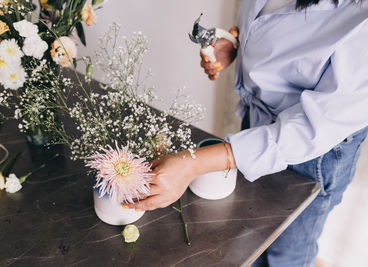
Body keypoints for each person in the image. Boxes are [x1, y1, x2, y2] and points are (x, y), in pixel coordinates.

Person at [127, 0, 368, 265]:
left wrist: (193, 164)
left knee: (286, 254)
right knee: (251, 229)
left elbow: (313, 129)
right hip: (258, 123)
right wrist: (238, 44)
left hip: (314, 155)